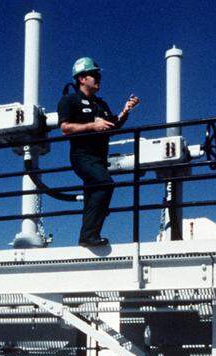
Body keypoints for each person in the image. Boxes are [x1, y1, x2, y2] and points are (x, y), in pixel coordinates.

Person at [57, 57, 140, 247]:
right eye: (94, 75)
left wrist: (126, 110)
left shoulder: (101, 105)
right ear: (82, 79)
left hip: (100, 157)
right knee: (104, 184)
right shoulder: (70, 101)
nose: (98, 78)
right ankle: (88, 236)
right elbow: (65, 128)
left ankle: (88, 235)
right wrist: (92, 126)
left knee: (94, 193)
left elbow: (112, 125)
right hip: (82, 156)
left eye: (98, 74)